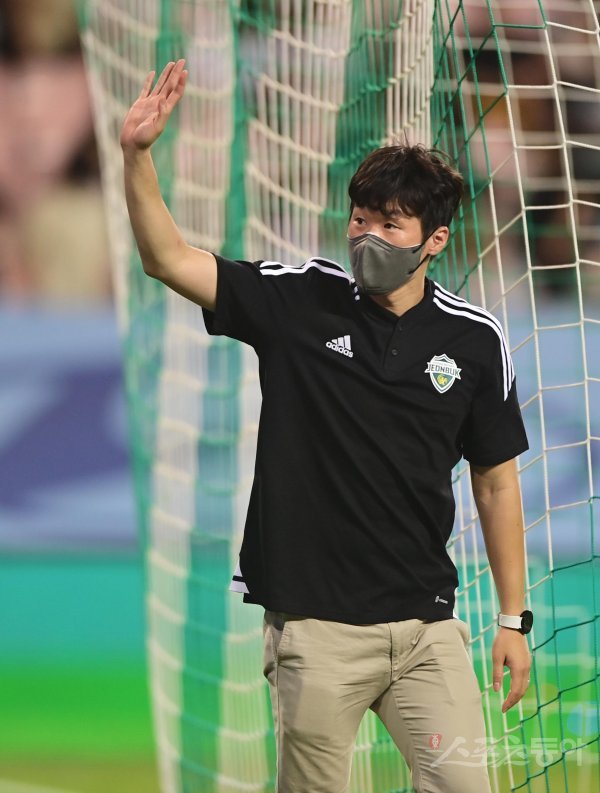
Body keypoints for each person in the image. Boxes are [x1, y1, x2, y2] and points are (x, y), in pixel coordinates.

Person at [121, 59, 533, 793]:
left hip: (426, 630)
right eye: (360, 218)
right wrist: (136, 156)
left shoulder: (476, 341)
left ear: (435, 241)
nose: (368, 236)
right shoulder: (299, 301)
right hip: (316, 631)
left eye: (390, 224)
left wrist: (512, 619)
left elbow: (496, 484)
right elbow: (167, 259)